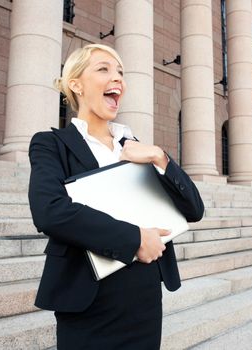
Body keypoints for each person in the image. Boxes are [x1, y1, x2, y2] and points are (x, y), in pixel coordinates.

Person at [28, 43, 204, 350]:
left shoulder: (135, 146)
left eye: (121, 72)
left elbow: (194, 209)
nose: (118, 78)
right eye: (104, 69)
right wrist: (135, 238)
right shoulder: (51, 144)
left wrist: (161, 157)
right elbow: (50, 211)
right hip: (86, 298)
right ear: (76, 84)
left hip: (143, 297)